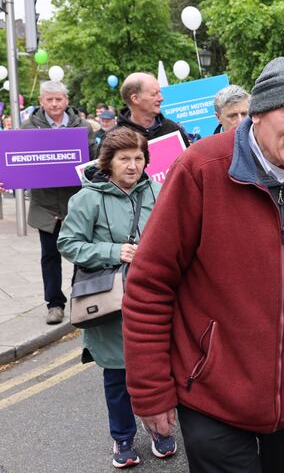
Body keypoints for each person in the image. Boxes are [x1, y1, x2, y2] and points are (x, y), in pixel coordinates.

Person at [122, 57, 284, 472]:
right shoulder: (201, 169)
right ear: (259, 114)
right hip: (214, 399)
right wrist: (151, 390)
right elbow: (149, 285)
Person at [57, 128, 171, 468]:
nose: (133, 165)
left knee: (159, 368)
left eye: (138, 158)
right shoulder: (87, 198)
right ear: (108, 162)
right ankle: (122, 437)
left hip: (155, 296)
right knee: (118, 376)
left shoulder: (157, 190)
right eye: (124, 159)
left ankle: (161, 429)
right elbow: (68, 243)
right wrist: (113, 250)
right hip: (110, 302)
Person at [21, 80, 98, 324]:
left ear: (66, 101)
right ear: (42, 101)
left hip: (76, 203)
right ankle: (54, 304)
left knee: (81, 254)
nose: (54, 104)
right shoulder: (27, 129)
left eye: (59, 99)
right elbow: (17, 163)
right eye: (49, 99)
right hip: (45, 205)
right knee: (50, 255)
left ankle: (80, 298)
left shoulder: (84, 128)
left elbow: (94, 162)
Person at [115, 73, 189, 145]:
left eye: (160, 92)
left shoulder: (172, 129)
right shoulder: (115, 139)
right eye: (154, 94)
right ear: (135, 99)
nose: (161, 98)